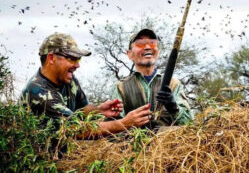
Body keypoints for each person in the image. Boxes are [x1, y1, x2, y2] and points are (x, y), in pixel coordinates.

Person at [20, 32, 152, 138]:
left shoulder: (67, 79)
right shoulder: (39, 93)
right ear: (51, 58)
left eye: (78, 59)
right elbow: (78, 129)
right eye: (71, 58)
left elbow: (81, 107)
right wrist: (124, 123)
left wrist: (99, 110)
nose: (77, 65)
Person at [111, 28, 193, 129]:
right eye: (140, 43)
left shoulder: (173, 84)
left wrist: (174, 109)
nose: (148, 47)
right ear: (130, 54)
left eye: (152, 43)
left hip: (169, 143)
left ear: (157, 52)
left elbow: (190, 126)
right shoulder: (120, 87)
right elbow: (113, 130)